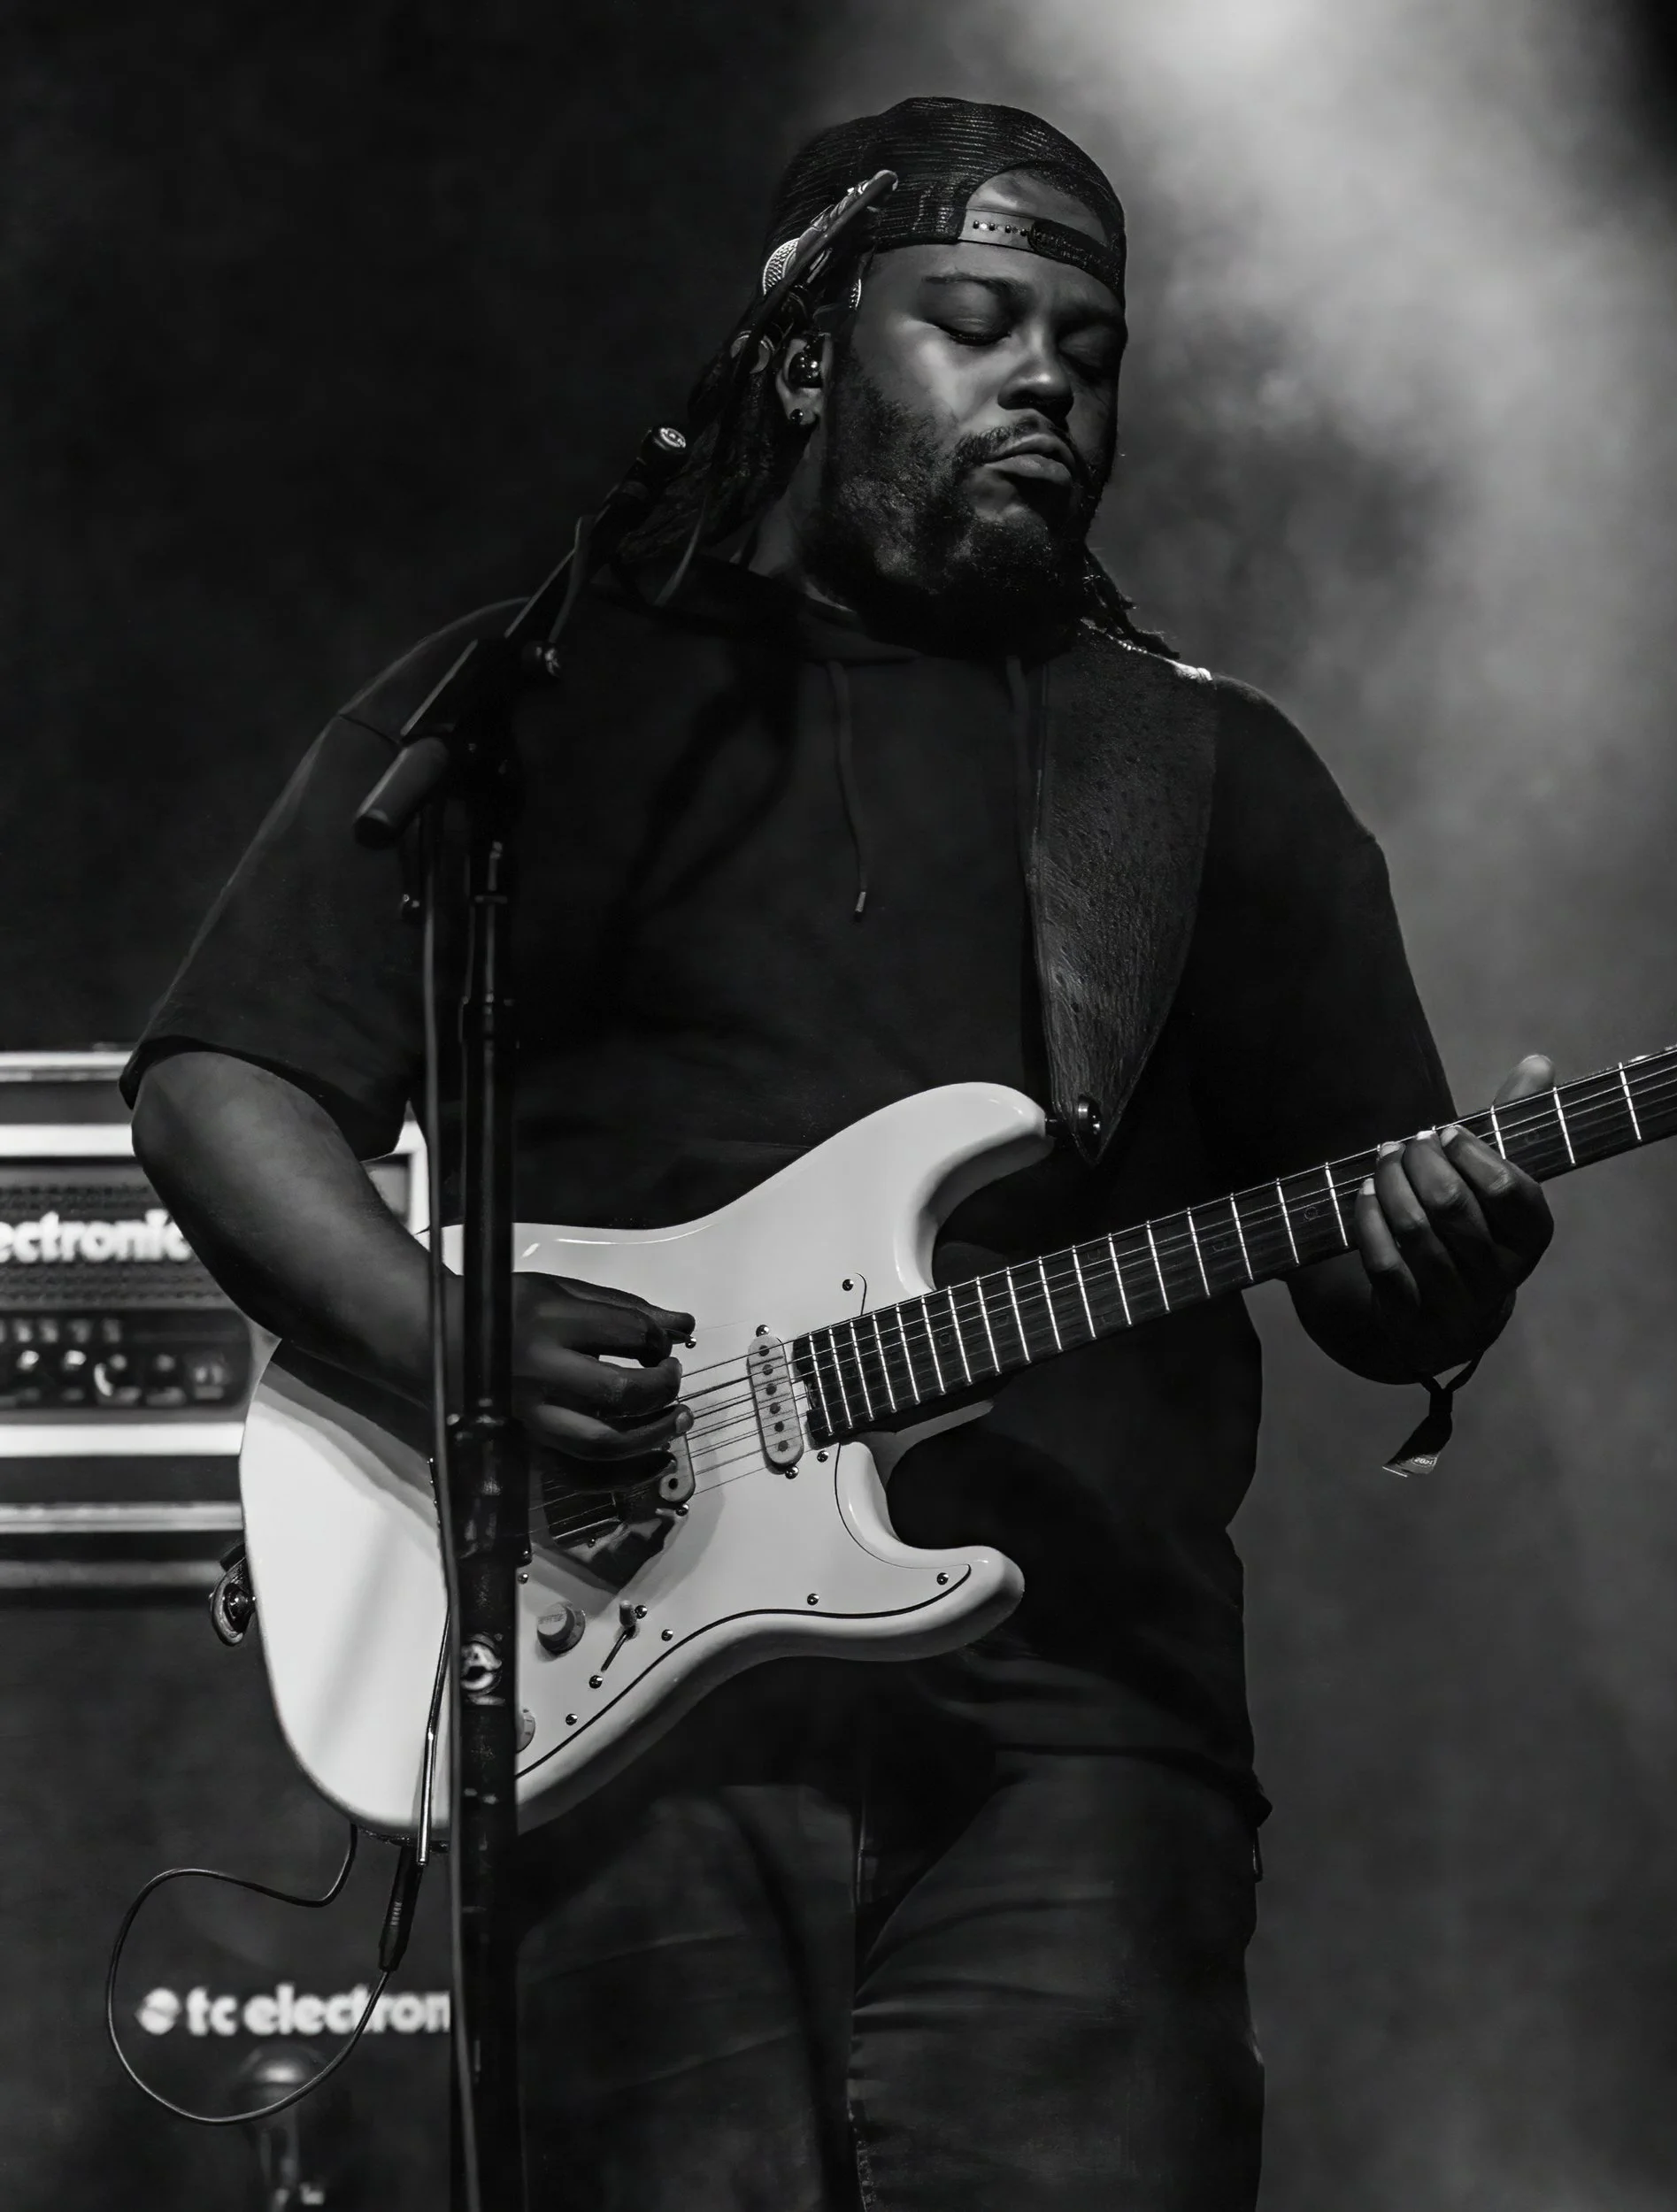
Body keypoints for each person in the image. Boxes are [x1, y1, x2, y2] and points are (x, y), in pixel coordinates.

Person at [127, 96, 1554, 2212]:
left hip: (1076, 1739)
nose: (1046, 381)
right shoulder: (543, 713)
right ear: (802, 356)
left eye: (1087, 351)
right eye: (976, 322)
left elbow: (1365, 1261)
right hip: (620, 1713)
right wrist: (445, 1335)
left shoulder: (1201, 775)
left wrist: (1443, 1262)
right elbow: (221, 1080)